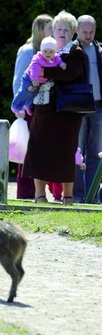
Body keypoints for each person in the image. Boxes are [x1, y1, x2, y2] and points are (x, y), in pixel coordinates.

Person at [22, 11, 85, 205]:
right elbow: (31, 71)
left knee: (66, 152)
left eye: (67, 29)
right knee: (38, 150)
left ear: (74, 32)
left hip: (68, 112)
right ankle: (40, 196)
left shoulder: (76, 51)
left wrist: (44, 71)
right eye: (58, 29)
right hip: (44, 110)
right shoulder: (45, 49)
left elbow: (71, 73)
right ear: (53, 30)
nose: (62, 32)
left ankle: (67, 197)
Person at [12, 13, 53, 199]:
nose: (54, 32)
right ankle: (25, 192)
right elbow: (19, 80)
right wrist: (19, 106)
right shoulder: (28, 51)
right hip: (28, 107)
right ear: (40, 30)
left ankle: (39, 191)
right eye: (50, 28)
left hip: (43, 106)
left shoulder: (49, 53)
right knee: (27, 151)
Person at [73, 15, 102, 203]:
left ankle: (92, 197)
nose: (88, 35)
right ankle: (77, 195)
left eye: (92, 32)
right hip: (78, 107)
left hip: (98, 106)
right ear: (77, 30)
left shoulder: (99, 50)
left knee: (96, 153)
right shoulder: (72, 49)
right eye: (85, 32)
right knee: (77, 153)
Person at [11, 36, 66, 117]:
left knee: (34, 93)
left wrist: (61, 63)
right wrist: (34, 79)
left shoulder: (55, 57)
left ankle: (27, 105)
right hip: (29, 78)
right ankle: (15, 106)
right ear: (41, 50)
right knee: (24, 91)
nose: (48, 54)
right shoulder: (38, 58)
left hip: (40, 81)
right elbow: (34, 69)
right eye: (45, 51)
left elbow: (58, 60)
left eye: (51, 52)